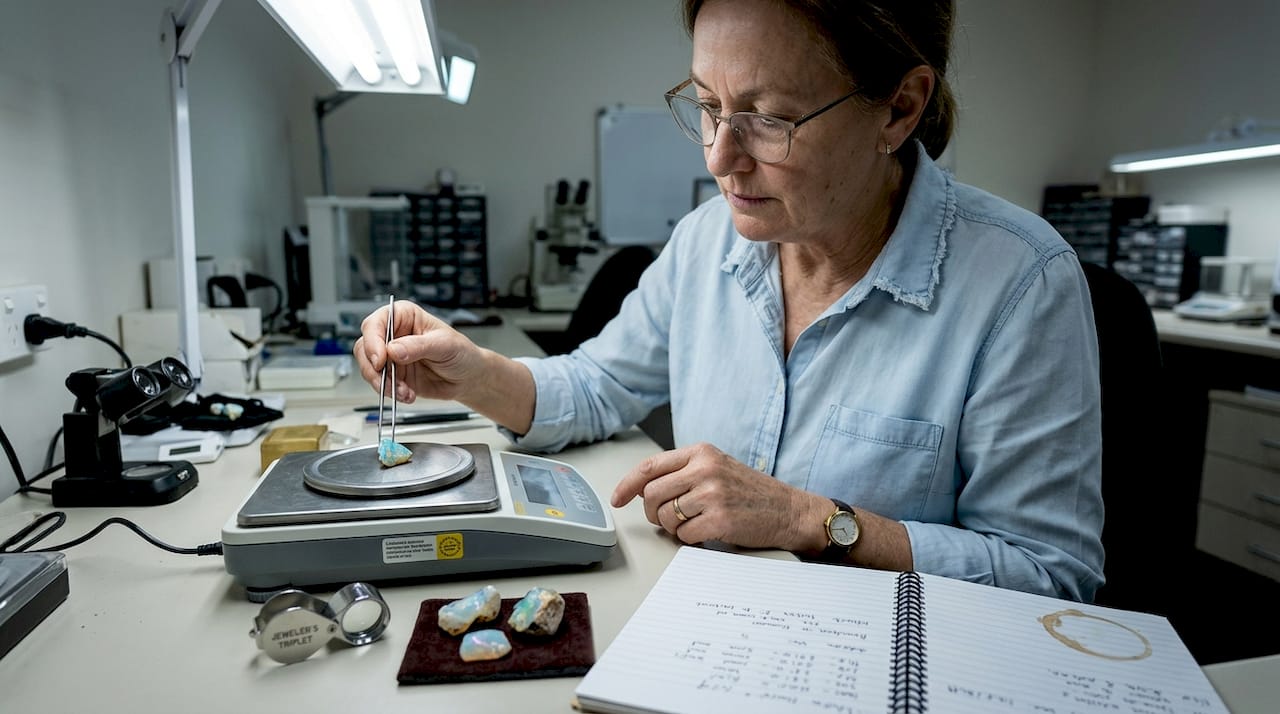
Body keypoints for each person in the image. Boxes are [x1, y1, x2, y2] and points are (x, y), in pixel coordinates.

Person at [355, 0, 1105, 602]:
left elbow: (1047, 574)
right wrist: (471, 368)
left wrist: (807, 519)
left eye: (770, 118)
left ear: (899, 109)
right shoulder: (706, 240)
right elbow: (598, 386)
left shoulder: (1020, 283)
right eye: (709, 105)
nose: (719, 156)